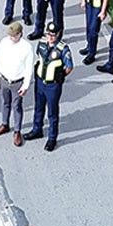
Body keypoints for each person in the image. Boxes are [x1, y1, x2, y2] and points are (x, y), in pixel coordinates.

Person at [24, 22, 73, 152]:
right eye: (48, 34)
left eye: (53, 35)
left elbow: (69, 67)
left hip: (53, 85)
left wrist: (60, 76)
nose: (51, 37)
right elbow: (39, 58)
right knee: (38, 107)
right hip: (40, 81)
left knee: (52, 112)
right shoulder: (41, 44)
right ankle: (37, 129)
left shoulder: (63, 49)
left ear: (58, 34)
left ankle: (52, 138)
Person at [0, 22, 34, 147]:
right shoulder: (4, 42)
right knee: (5, 103)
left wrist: (25, 86)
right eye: (10, 35)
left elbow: (28, 69)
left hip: (17, 82)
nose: (11, 38)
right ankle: (4, 124)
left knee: (17, 106)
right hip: (5, 79)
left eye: (14, 36)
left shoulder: (26, 48)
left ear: (20, 34)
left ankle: (17, 131)